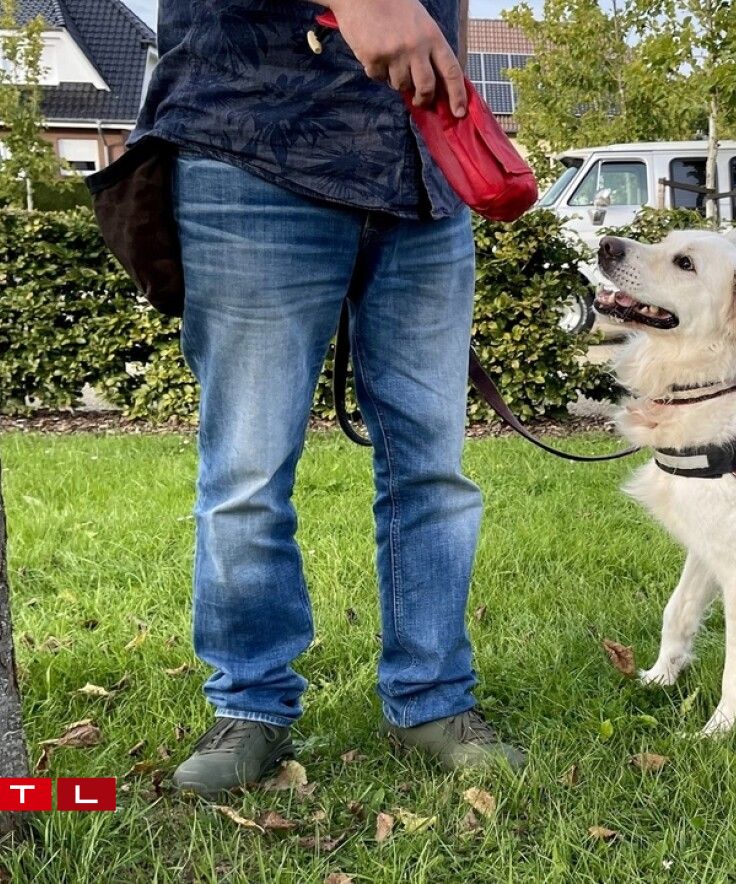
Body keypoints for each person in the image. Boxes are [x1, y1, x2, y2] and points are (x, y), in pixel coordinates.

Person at [128, 0, 523, 796]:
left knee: (433, 472)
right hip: (254, 135)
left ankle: (432, 699)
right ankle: (250, 703)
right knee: (247, 471)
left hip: (422, 165)